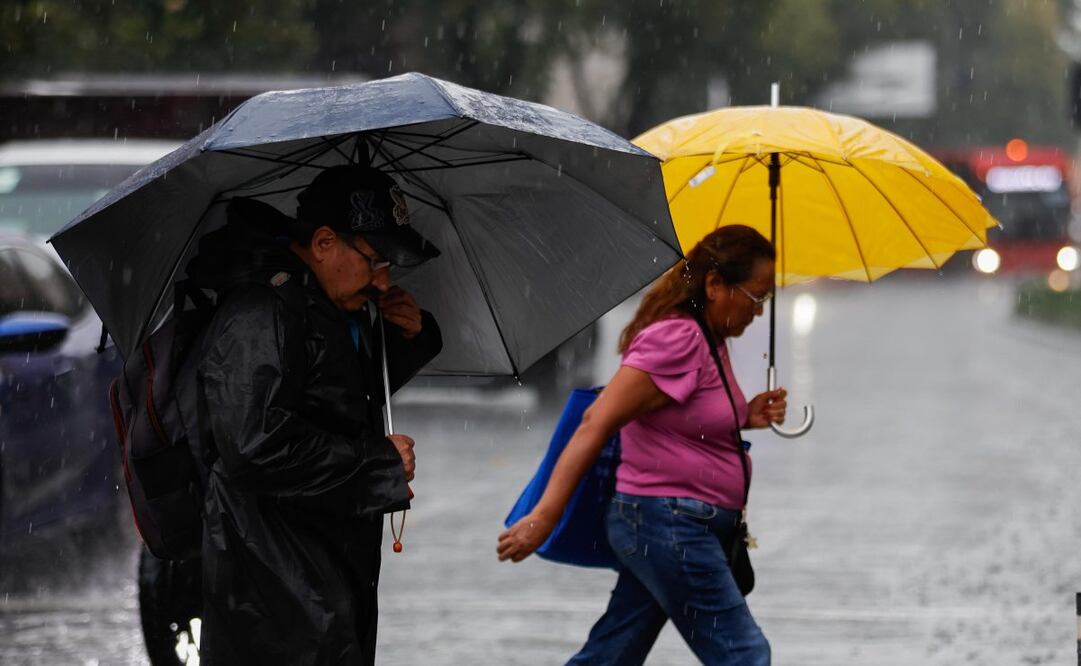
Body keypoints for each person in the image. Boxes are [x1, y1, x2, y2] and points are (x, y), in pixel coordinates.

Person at [187, 165, 442, 665]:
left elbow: (332, 399)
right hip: (273, 572)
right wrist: (378, 463)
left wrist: (407, 340)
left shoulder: (324, 304)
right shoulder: (263, 310)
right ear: (325, 242)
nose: (384, 278)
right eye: (376, 259)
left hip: (319, 560)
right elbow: (254, 443)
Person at [498, 224, 786, 665]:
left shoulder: (710, 338)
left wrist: (747, 415)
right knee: (745, 656)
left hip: (669, 526)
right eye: (754, 297)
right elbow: (598, 419)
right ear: (714, 284)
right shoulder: (680, 338)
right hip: (669, 526)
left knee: (611, 655)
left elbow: (685, 417)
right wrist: (544, 517)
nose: (758, 312)